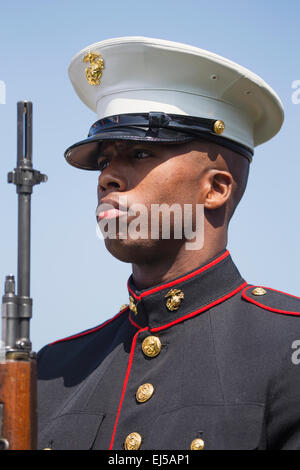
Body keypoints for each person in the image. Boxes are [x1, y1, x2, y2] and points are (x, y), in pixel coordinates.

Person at [37, 37, 300, 450]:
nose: (108, 177)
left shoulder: (288, 349)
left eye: (140, 152)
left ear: (215, 188)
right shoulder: (52, 371)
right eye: (104, 161)